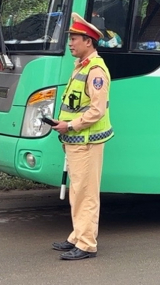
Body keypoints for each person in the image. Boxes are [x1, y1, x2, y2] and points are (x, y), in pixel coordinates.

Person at [50, 13, 114, 260]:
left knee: (86, 193)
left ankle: (87, 244)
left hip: (87, 142)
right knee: (78, 191)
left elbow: (97, 110)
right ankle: (77, 236)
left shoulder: (96, 71)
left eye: (74, 38)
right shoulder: (83, 67)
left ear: (88, 41)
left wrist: (71, 125)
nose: (70, 43)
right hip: (77, 141)